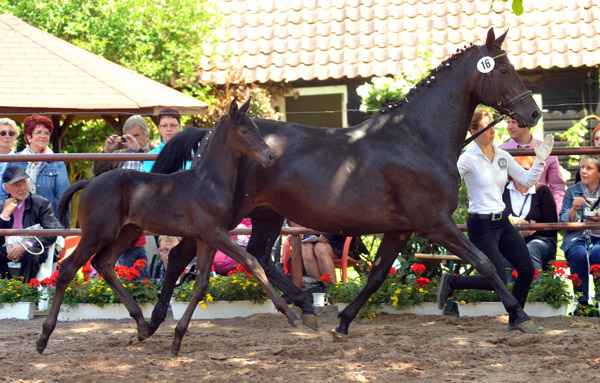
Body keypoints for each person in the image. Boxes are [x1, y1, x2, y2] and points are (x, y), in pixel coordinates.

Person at [437, 108, 553, 332]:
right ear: (473, 131)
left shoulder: (501, 155)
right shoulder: (467, 159)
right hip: (481, 225)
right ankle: (453, 281)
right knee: (498, 278)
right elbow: (447, 178)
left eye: (493, 126)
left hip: (502, 222)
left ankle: (514, 320)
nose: (493, 131)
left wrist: (540, 160)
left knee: (526, 270)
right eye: (488, 127)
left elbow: (526, 180)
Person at [92, 115, 152, 279]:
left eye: (136, 135)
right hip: (122, 216)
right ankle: (139, 289)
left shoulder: (154, 153)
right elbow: (98, 172)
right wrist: (107, 151)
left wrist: (139, 152)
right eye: (127, 136)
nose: (131, 139)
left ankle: (142, 288)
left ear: (146, 135)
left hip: (151, 214)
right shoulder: (119, 154)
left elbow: (160, 172)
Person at [0, 115, 69, 217]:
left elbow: (63, 197)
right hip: (18, 223)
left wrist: (62, 226)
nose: (43, 136)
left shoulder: (56, 162)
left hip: (47, 222)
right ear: (29, 136)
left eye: (47, 133)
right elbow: (3, 193)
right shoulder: (15, 160)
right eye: (38, 132)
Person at [0, 165, 59, 282]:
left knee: (31, 254)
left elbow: (52, 233)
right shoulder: (2, 206)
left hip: (32, 247)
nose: (22, 188)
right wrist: (4, 215)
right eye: (17, 185)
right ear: (7, 188)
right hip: (7, 249)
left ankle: (26, 291)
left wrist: (26, 245)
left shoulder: (41, 203)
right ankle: (7, 288)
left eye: (24, 183)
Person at [559, 155, 600, 314]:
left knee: (598, 253)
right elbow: (562, 222)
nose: (583, 171)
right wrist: (573, 210)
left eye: (589, 168)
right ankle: (581, 302)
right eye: (582, 167)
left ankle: (599, 298)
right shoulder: (572, 191)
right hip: (578, 236)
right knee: (577, 253)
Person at [499, 117, 565, 214]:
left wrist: (553, 214)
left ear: (527, 123)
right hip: (508, 214)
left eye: (514, 122)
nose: (509, 127)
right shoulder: (500, 151)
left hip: (540, 213)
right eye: (508, 122)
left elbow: (557, 187)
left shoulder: (545, 148)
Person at [502, 169, 558, 283]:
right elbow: (496, 223)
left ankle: (535, 293)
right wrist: (517, 231)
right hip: (510, 240)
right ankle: (508, 294)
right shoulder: (503, 191)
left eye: (529, 170)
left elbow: (553, 227)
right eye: (521, 170)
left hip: (541, 241)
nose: (526, 174)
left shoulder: (542, 191)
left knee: (531, 249)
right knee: (507, 250)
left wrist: (534, 229)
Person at [142, 107, 184, 172]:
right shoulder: (150, 156)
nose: (169, 129)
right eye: (164, 126)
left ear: (179, 127)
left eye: (173, 125)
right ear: (159, 128)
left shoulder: (192, 154)